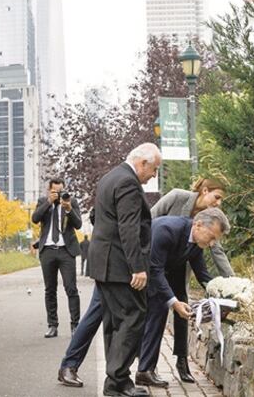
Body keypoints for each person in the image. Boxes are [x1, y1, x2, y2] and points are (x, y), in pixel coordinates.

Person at [87, 143, 159, 397]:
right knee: (133, 318)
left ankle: (115, 384)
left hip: (103, 263)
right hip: (120, 266)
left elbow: (97, 216)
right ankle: (118, 379)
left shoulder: (110, 177)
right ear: (142, 163)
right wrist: (137, 267)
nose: (154, 176)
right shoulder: (129, 183)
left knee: (115, 323)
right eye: (154, 169)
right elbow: (128, 228)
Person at [149, 179, 234, 383]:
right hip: (156, 260)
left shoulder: (212, 220)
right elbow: (149, 219)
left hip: (180, 267)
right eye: (217, 197)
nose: (219, 203)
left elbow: (216, 249)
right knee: (154, 312)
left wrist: (231, 285)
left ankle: (181, 360)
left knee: (183, 310)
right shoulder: (178, 197)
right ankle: (146, 366)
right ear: (205, 191)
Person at [135, 208, 230, 389]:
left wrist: (224, 296)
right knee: (157, 310)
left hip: (165, 271)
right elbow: (155, 270)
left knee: (161, 310)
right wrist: (173, 302)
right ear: (199, 225)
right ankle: (143, 370)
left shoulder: (196, 241)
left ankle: (146, 370)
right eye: (211, 237)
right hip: (138, 270)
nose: (212, 244)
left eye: (215, 240)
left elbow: (202, 274)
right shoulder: (167, 230)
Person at [31, 177, 82, 337]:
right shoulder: (42, 201)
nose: (58, 195)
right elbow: (35, 219)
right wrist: (48, 202)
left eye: (60, 191)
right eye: (55, 192)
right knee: (50, 290)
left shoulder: (71, 202)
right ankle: (52, 325)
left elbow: (78, 224)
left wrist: (68, 209)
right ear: (49, 190)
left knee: (71, 288)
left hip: (66, 251)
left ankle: (75, 325)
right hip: (47, 250)